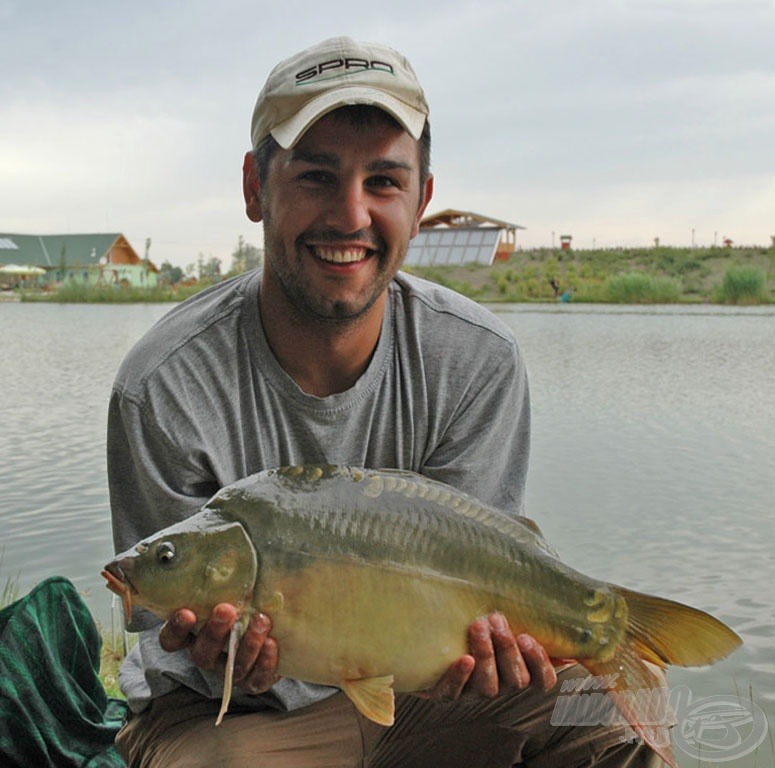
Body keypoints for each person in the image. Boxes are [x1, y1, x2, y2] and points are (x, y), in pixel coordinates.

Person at [108, 36, 665, 767]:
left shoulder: (475, 358)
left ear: (421, 198)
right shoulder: (162, 385)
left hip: (428, 696)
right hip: (229, 720)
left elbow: (481, 575)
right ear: (254, 188)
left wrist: (504, 655)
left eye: (383, 181)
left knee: (609, 725)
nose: (350, 215)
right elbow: (160, 633)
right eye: (315, 177)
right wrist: (224, 659)